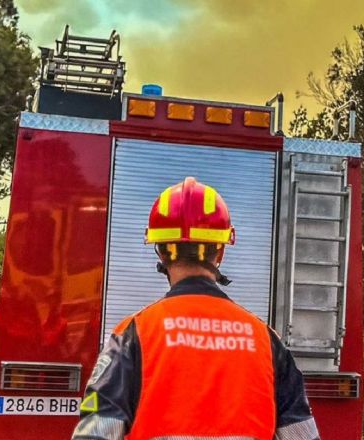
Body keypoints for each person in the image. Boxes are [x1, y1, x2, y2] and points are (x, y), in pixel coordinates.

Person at [72, 177, 319, 440]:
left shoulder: (134, 334)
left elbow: (96, 433)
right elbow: (302, 436)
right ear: (220, 252)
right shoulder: (265, 341)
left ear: (161, 253)